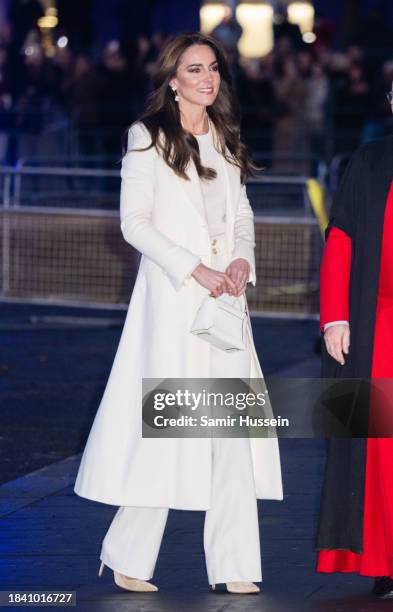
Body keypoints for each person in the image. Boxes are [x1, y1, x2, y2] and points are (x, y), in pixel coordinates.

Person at [73, 32, 283, 594]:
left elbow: (242, 213)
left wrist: (241, 260)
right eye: (195, 70)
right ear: (173, 78)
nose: (207, 79)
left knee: (231, 436)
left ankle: (236, 566)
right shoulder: (146, 139)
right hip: (173, 303)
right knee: (166, 432)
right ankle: (127, 555)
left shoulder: (226, 138)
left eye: (213, 68)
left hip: (227, 306)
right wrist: (194, 267)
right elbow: (133, 223)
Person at [316, 83, 393, 599]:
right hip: (380, 326)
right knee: (381, 447)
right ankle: (386, 560)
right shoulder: (370, 160)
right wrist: (335, 317)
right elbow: (340, 239)